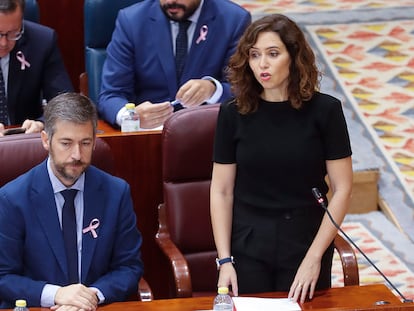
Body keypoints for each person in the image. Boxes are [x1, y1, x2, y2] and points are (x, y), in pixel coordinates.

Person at [210, 14, 353, 304]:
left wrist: (315, 257)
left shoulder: (325, 112)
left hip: (305, 241)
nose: (262, 64)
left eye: (273, 54)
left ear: (294, 57)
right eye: (254, 55)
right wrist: (225, 260)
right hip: (248, 242)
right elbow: (221, 191)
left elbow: (343, 189)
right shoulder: (232, 114)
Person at [0, 92, 143, 309]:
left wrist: (90, 297)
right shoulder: (12, 198)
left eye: (85, 143)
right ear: (46, 140)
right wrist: (57, 294)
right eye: (66, 143)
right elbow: (4, 277)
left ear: (95, 141)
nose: (77, 154)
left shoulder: (116, 193)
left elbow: (129, 267)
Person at [98, 0, 251, 129]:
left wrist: (213, 89)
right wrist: (131, 117)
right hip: (147, 139)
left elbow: (244, 89)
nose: (171, 1)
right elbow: (111, 95)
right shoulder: (132, 21)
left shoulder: (234, 20)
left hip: (209, 135)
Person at [0, 0, 73, 136]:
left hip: (26, 140)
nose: (4, 43)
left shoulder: (42, 41)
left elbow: (65, 102)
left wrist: (43, 123)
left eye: (13, 33)